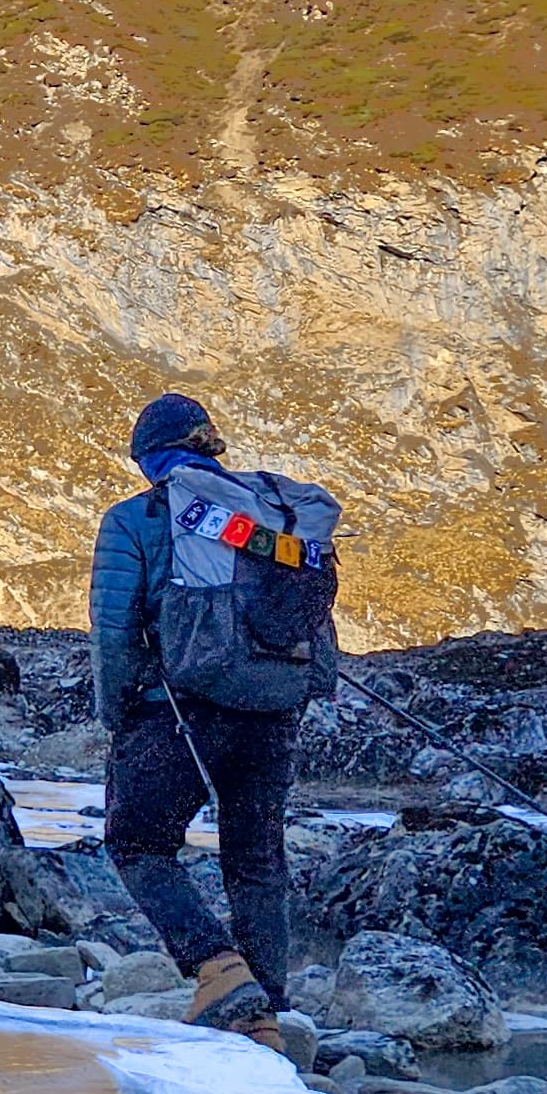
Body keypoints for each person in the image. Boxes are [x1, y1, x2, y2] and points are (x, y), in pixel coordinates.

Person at [90, 392, 330, 1050]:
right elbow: (310, 618)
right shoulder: (273, 519)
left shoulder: (137, 517)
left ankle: (221, 976)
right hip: (274, 705)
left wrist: (114, 714)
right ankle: (268, 1015)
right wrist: (305, 689)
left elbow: (114, 630)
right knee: (255, 858)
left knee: (137, 845)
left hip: (176, 708)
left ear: (149, 458)